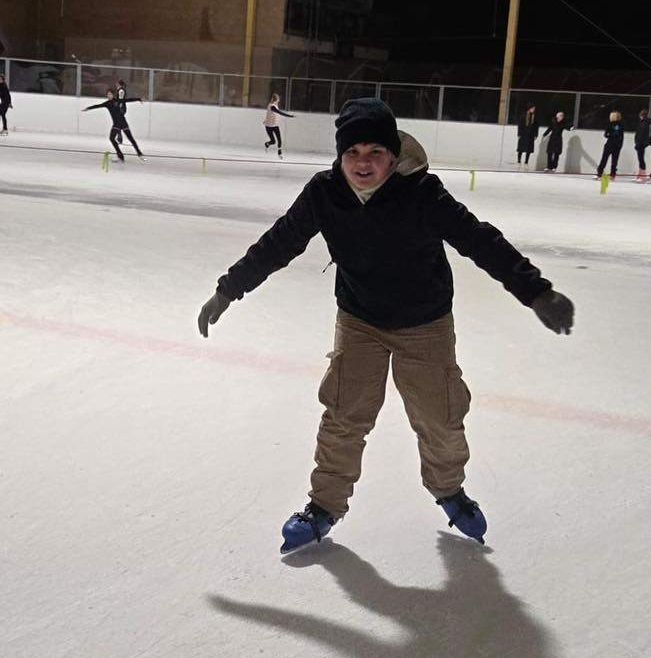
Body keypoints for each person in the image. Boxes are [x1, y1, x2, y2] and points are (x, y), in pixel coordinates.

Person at [197, 98, 575, 554]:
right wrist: (227, 290)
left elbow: (480, 240)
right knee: (343, 413)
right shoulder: (324, 192)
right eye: (352, 152)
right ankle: (324, 506)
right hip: (359, 320)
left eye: (375, 152)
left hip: (425, 322)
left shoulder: (423, 193)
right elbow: (279, 242)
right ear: (340, 156)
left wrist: (535, 292)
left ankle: (449, 489)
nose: (362, 163)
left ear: (394, 157)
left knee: (440, 416)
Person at [82, 88, 145, 162]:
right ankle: (120, 156)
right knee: (112, 138)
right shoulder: (107, 103)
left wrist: (139, 99)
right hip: (116, 124)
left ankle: (139, 153)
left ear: (113, 95)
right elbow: (98, 106)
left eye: (110, 94)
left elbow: (128, 100)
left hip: (123, 122)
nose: (109, 95)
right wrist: (88, 108)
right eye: (108, 94)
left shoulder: (118, 100)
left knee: (130, 138)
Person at [263, 93, 294, 159]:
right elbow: (279, 112)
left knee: (279, 140)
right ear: (276, 99)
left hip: (275, 125)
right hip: (268, 126)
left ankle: (279, 153)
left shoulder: (274, 105)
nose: (279, 101)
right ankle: (267, 144)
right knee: (273, 141)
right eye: (278, 99)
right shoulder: (272, 106)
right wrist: (290, 116)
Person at [596, 111, 625, 180]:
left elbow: (606, 134)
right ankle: (612, 174)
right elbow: (621, 136)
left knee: (604, 159)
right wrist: (620, 145)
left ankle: (600, 173)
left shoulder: (610, 124)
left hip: (610, 144)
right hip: (617, 145)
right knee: (614, 160)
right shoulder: (621, 125)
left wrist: (610, 135)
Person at [516, 104, 538, 169]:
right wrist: (519, 134)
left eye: (534, 109)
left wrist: (536, 134)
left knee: (529, 149)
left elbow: (536, 127)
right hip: (523, 134)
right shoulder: (523, 116)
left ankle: (526, 162)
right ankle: (519, 161)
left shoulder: (535, 117)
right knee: (521, 148)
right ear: (529, 108)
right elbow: (520, 125)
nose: (533, 110)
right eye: (533, 108)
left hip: (531, 135)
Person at [633, 108, 650, 181]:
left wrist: (638, 143)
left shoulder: (644, 123)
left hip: (641, 144)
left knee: (641, 159)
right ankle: (640, 175)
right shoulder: (642, 123)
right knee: (640, 159)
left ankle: (643, 175)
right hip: (640, 143)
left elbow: (641, 135)